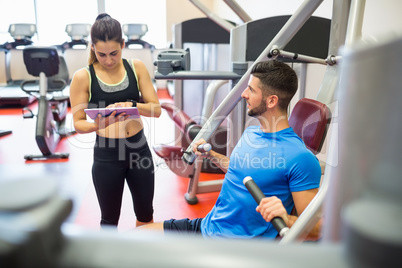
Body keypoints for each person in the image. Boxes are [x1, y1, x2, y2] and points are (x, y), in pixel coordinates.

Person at [140, 60, 322, 239]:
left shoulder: (301, 158)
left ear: (271, 100)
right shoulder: (252, 132)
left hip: (234, 247)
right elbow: (239, 170)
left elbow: (318, 229)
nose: (244, 94)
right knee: (134, 239)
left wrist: (286, 219)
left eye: (251, 89)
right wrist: (211, 155)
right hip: (207, 226)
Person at [69, 13, 161, 228]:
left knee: (146, 215)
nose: (109, 60)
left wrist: (132, 105)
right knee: (109, 219)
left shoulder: (136, 67)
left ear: (123, 44)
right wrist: (95, 126)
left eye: (114, 53)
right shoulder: (83, 76)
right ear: (92, 47)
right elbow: (78, 123)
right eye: (101, 54)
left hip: (138, 149)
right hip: (107, 154)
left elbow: (156, 109)